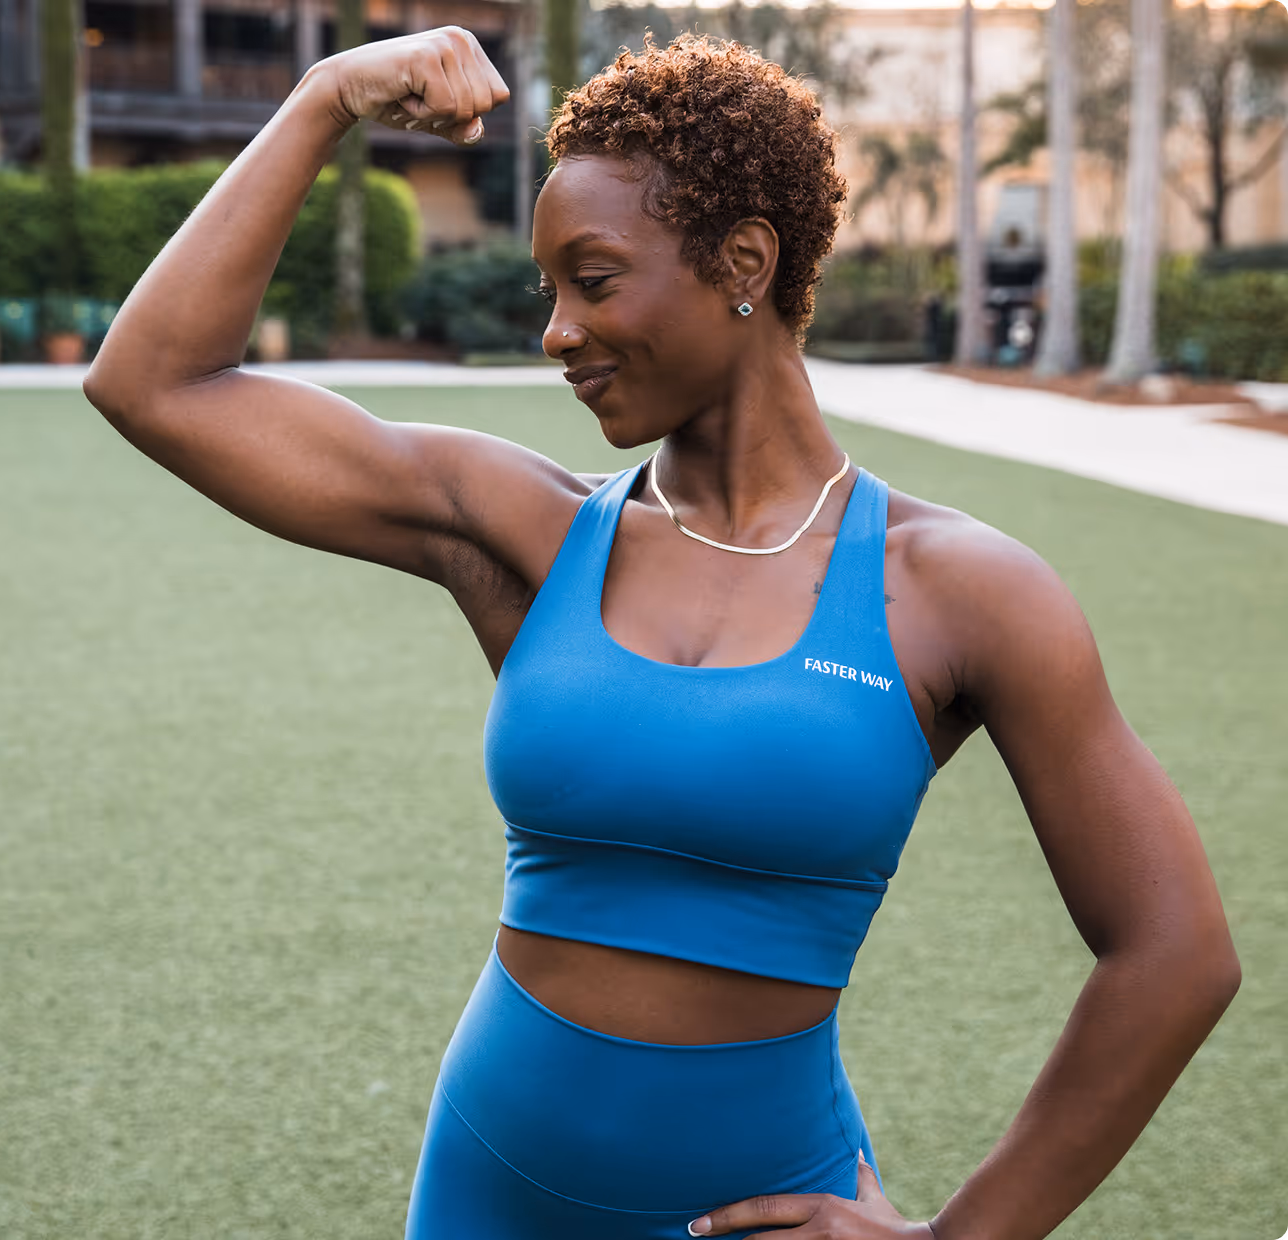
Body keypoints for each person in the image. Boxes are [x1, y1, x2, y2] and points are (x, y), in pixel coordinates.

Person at [83, 27, 1241, 1240]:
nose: (556, 332)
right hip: (486, 1192)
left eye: (593, 279)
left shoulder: (957, 589)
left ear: (743, 261)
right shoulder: (524, 530)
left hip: (748, 1207)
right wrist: (324, 97)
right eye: (548, 293)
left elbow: (1173, 951)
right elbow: (156, 382)